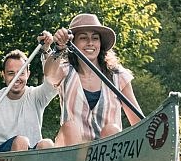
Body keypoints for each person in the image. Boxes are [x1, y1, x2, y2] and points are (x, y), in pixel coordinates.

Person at [41, 13, 142, 146]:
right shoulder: (65, 71)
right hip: (71, 149)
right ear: (73, 43)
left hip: (105, 153)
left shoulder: (118, 76)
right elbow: (49, 74)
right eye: (83, 38)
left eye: (95, 38)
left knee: (112, 129)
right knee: (70, 126)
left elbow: (138, 121)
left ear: (100, 44)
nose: (90, 43)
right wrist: (59, 48)